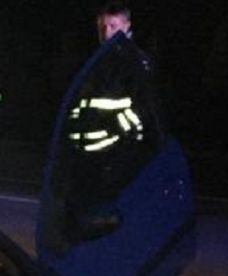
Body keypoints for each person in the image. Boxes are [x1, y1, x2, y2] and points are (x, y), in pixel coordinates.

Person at [56, 1, 161, 244]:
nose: (106, 33)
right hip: (87, 157)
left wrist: (117, 140)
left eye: (113, 26)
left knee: (107, 230)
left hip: (114, 159)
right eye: (102, 26)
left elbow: (143, 112)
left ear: (127, 26)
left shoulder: (135, 62)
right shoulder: (98, 60)